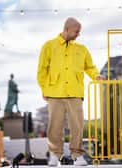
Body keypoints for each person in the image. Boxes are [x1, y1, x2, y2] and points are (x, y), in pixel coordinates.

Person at [37, 17, 105, 166]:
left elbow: (90, 67)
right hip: (54, 92)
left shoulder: (82, 49)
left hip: (75, 92)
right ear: (67, 29)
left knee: (77, 126)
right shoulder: (49, 46)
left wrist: (96, 75)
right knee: (55, 126)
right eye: (76, 31)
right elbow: (42, 69)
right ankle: (56, 154)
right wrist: (44, 88)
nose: (78, 34)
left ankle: (77, 156)